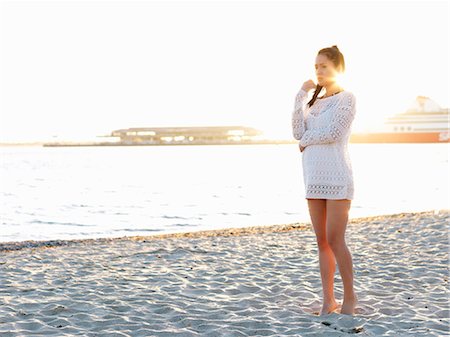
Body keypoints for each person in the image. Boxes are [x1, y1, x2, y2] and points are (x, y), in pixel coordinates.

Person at [291, 45, 358, 315]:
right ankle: (328, 299)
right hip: (313, 176)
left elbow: (334, 132)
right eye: (316, 66)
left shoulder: (347, 98)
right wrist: (299, 96)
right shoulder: (311, 101)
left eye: (324, 66)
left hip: (337, 176)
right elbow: (297, 132)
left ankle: (350, 297)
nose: (319, 71)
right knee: (321, 242)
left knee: (335, 239)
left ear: (337, 69)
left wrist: (307, 140)